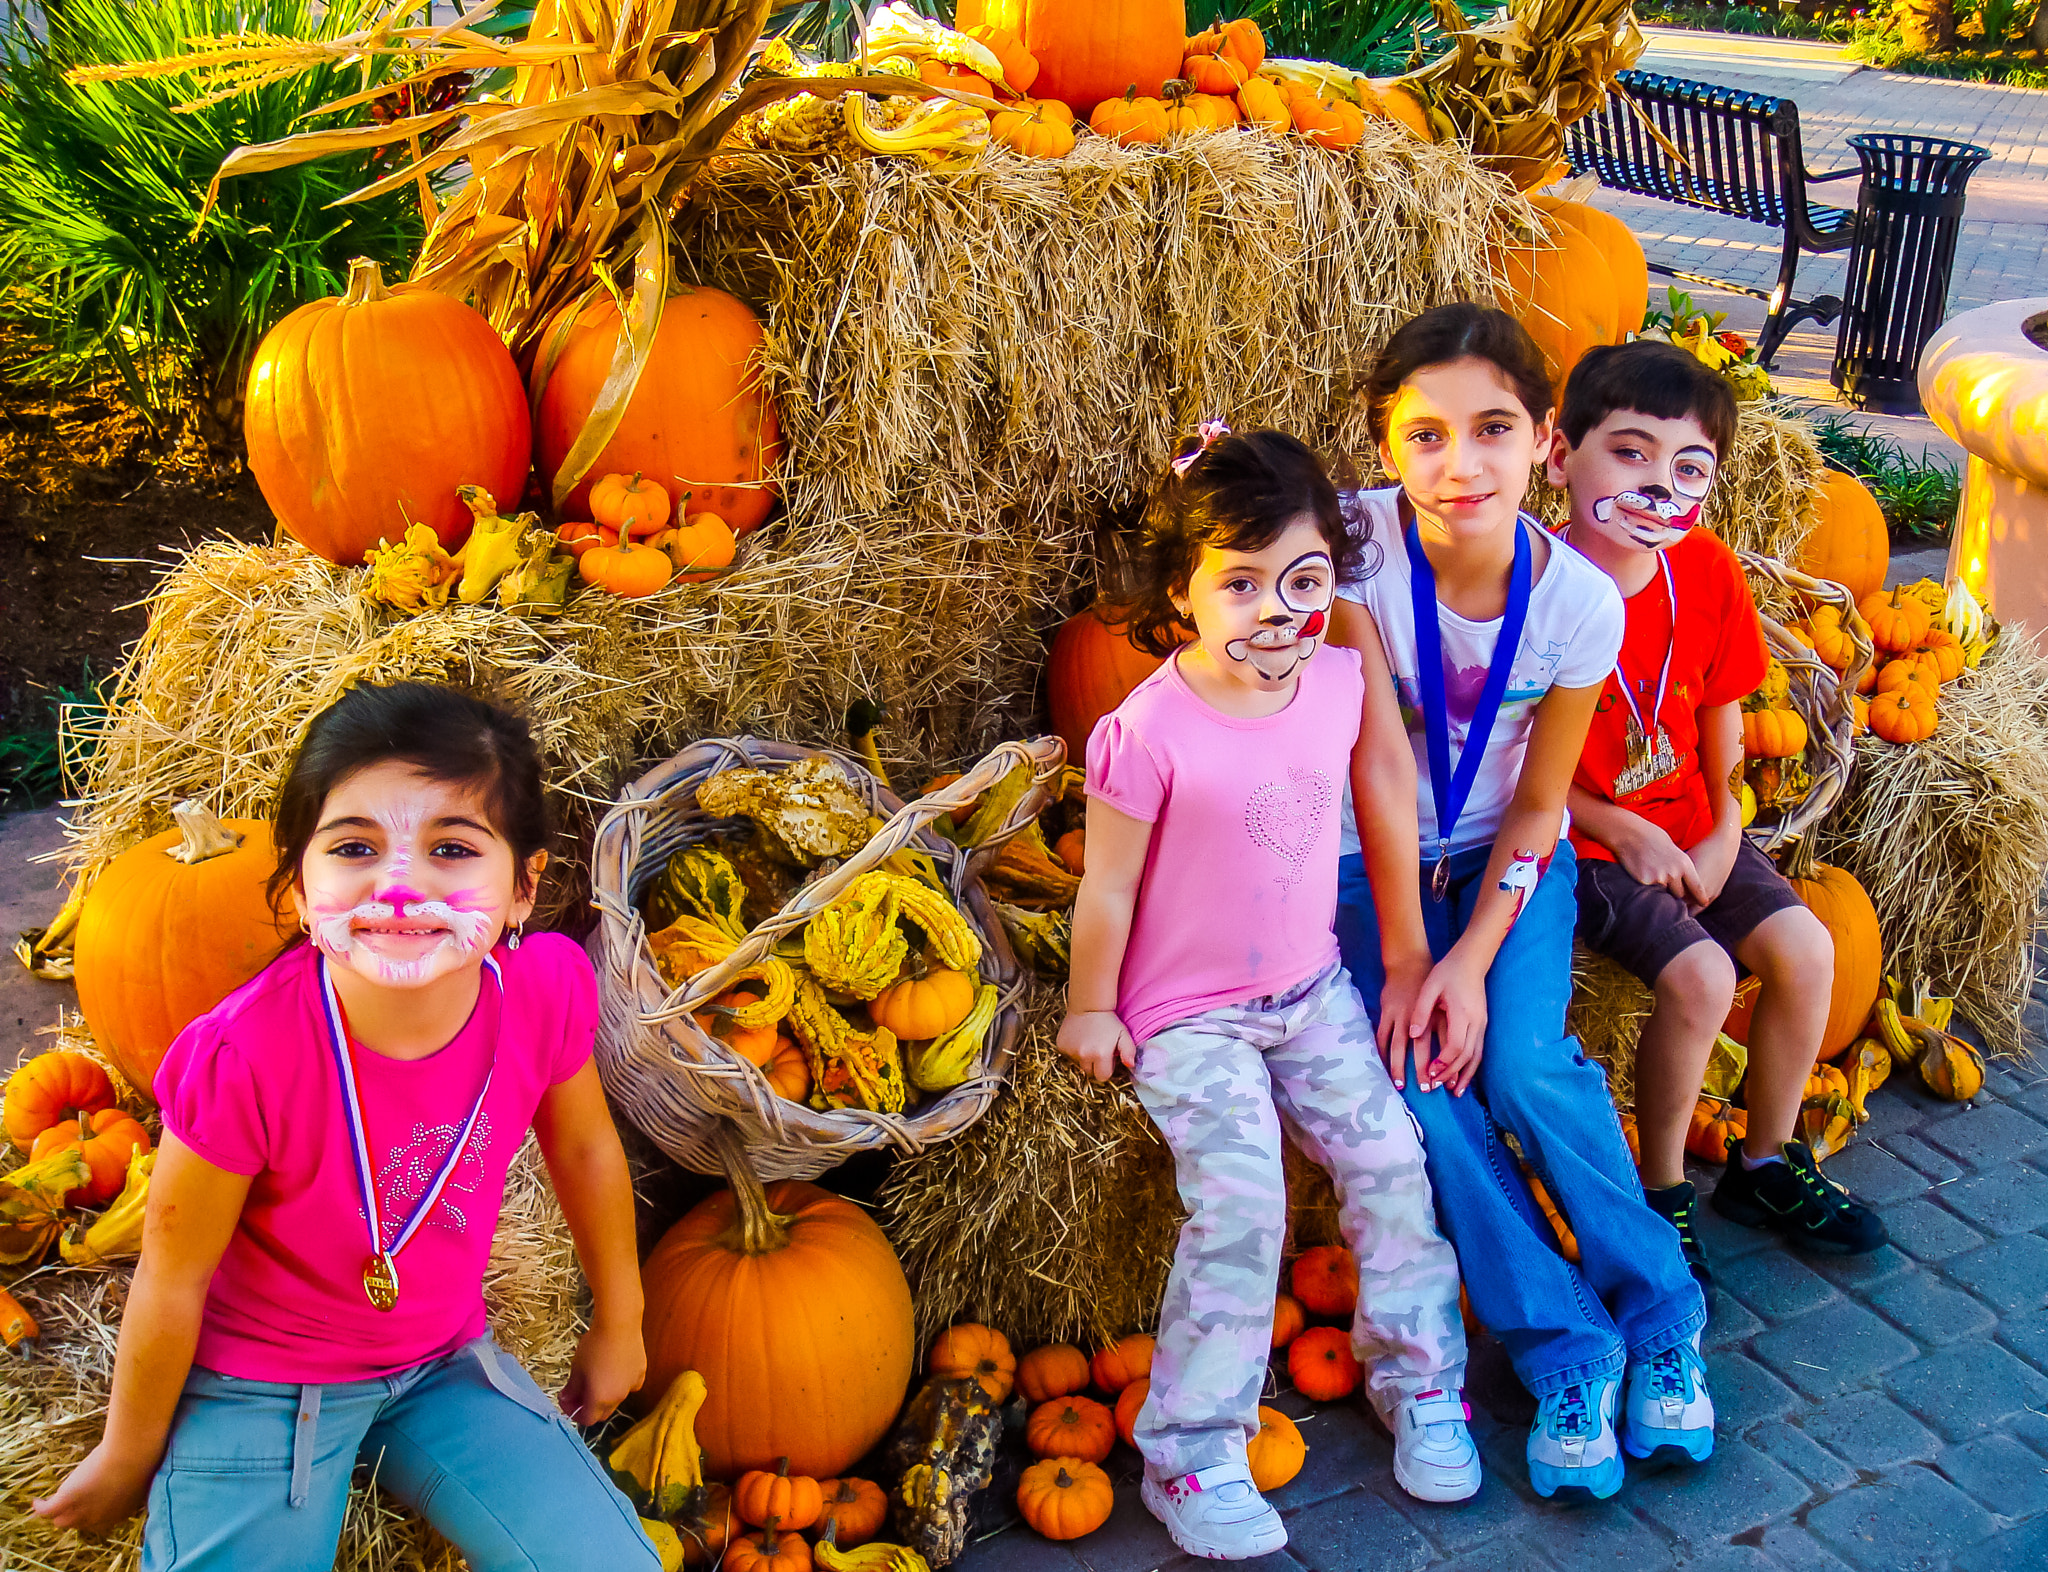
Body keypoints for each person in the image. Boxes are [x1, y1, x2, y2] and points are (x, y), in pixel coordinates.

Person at [34, 682, 659, 1571]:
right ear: (298, 885)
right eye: (356, 847)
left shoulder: (546, 987)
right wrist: (127, 1453)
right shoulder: (242, 1056)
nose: (400, 885)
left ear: (524, 887)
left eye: (451, 849)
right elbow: (172, 1279)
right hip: (262, 1384)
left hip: (442, 1361)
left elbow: (588, 1147)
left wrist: (621, 1321)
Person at [1059, 424, 1475, 1560]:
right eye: (1238, 585)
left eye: (1301, 580)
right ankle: (1190, 1450)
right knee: (1242, 1197)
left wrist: (1395, 950)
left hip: (1308, 991)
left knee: (1389, 1158)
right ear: (1181, 597)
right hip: (1184, 1014)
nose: (1275, 609)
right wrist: (1089, 1006)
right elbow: (1105, 890)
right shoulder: (1141, 730)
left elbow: (1380, 798)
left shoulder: (1340, 682)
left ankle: (1421, 1379)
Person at [1330, 304, 1713, 1505]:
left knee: (1529, 1066)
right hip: (1361, 860)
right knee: (1418, 1087)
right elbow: (1378, 766)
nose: (1461, 465)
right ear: (1386, 447)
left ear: (1543, 438)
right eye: (1425, 435)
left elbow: (1542, 804)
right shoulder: (1352, 555)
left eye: (1492, 430)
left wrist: (1473, 956)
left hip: (1504, 859)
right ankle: (1564, 1347)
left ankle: (1660, 1314)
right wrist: (1408, 958)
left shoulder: (1575, 605)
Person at [1548, 340, 1886, 1290]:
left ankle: (1767, 1163)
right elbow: (1517, 778)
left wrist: (1722, 832)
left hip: (1695, 824)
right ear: (1561, 451)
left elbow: (1720, 735)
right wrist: (1621, 829)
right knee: (1698, 977)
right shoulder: (1536, 591)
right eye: (1630, 452)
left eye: (1688, 467)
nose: (1659, 485)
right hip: (1590, 840)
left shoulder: (1705, 574)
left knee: (1810, 951)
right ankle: (1662, 1194)